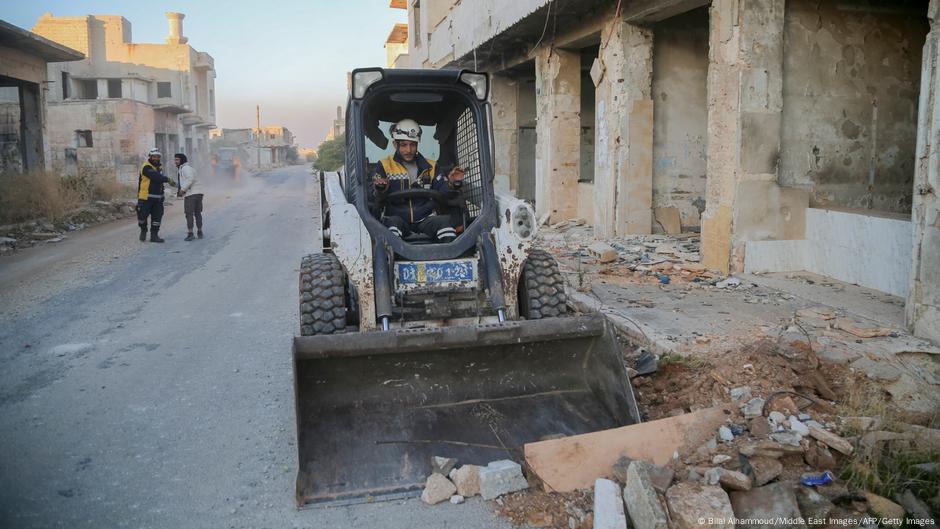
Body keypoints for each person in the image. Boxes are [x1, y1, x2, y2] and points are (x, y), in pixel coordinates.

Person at [372, 118, 465, 242]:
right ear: (395, 144)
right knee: (391, 229)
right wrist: (381, 189)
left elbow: (443, 191)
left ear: (417, 144)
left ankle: (452, 260)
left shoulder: (431, 166)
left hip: (426, 218)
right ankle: (389, 259)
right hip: (397, 217)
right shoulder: (384, 166)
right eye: (404, 145)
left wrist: (451, 184)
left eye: (413, 144)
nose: (409, 150)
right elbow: (375, 196)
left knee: (445, 225)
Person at [137, 148, 174, 243]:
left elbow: (160, 180)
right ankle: (143, 230)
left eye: (158, 157)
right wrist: (168, 179)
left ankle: (154, 236)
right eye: (154, 156)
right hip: (146, 198)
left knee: (157, 218)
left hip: (158, 199)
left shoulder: (159, 168)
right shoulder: (146, 167)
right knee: (142, 217)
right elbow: (157, 178)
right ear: (150, 157)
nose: (156, 158)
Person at [174, 153, 204, 241]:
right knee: (198, 213)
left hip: (191, 194)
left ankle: (190, 233)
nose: (175, 162)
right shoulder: (188, 168)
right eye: (175, 160)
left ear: (182, 160)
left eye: (177, 160)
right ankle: (200, 232)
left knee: (189, 214)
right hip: (198, 193)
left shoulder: (185, 168)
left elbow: (190, 179)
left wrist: (182, 190)